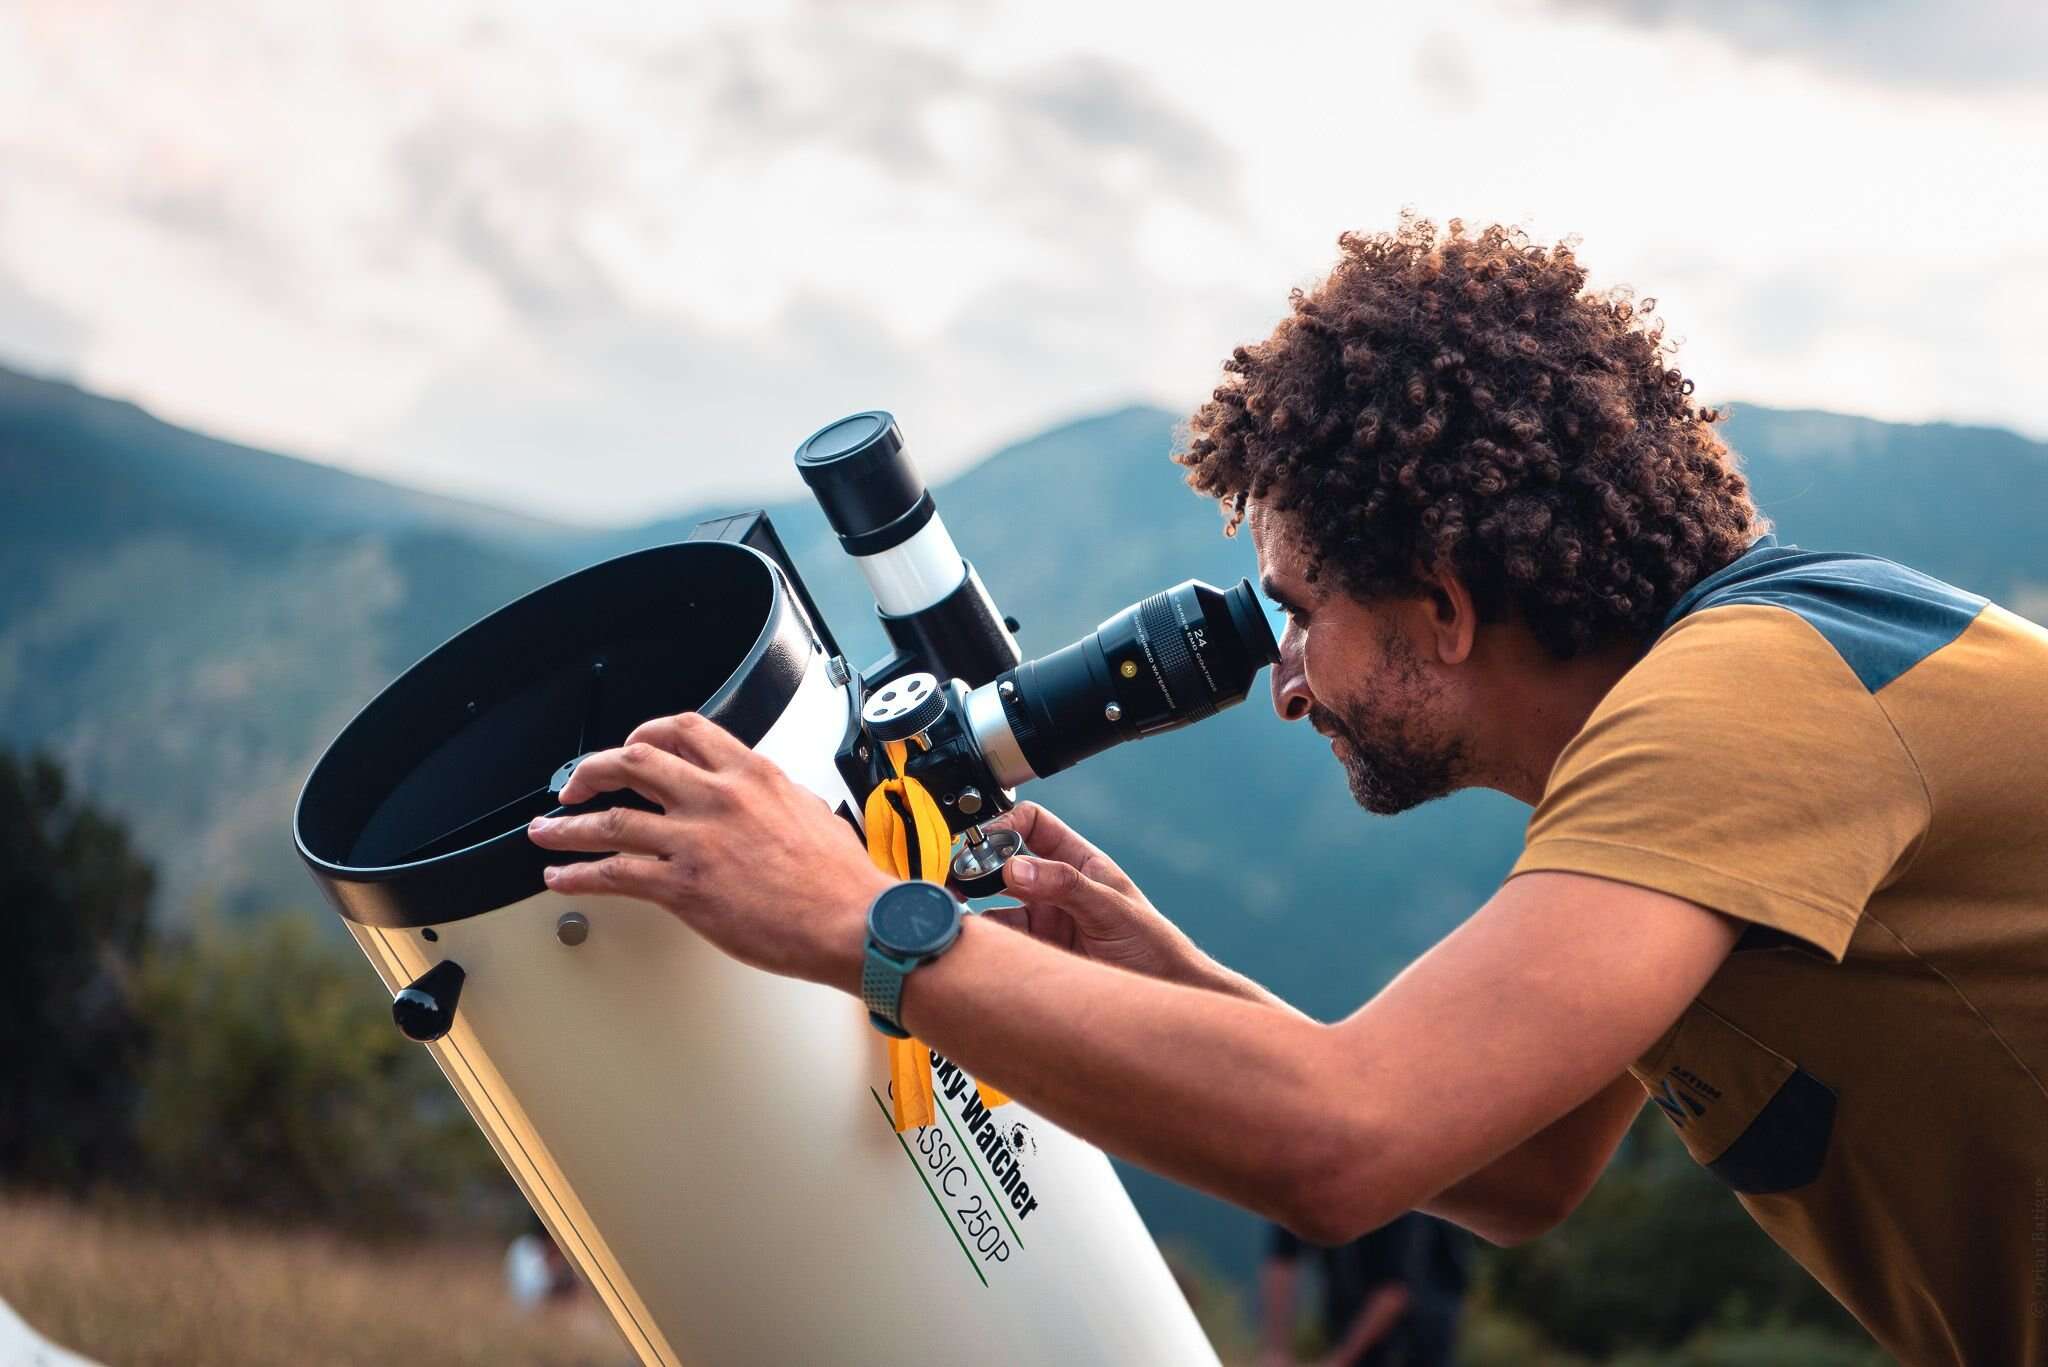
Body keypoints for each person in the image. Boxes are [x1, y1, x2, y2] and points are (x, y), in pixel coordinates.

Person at [526, 215, 2048, 1367]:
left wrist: (860, 919)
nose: (1289, 678)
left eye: (1301, 607)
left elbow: (1346, 1146)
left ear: (1443, 604)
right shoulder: (1740, 707)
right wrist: (1169, 974)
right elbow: (1513, 1166)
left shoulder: (1746, 712)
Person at [1261, 1213, 1468, 1367]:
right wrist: (1277, 1351)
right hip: (1348, 1319)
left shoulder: (1403, 1198)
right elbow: (1282, 1262)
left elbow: (1395, 1291)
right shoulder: (1307, 1181)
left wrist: (1339, 1360)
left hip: (1415, 1340)